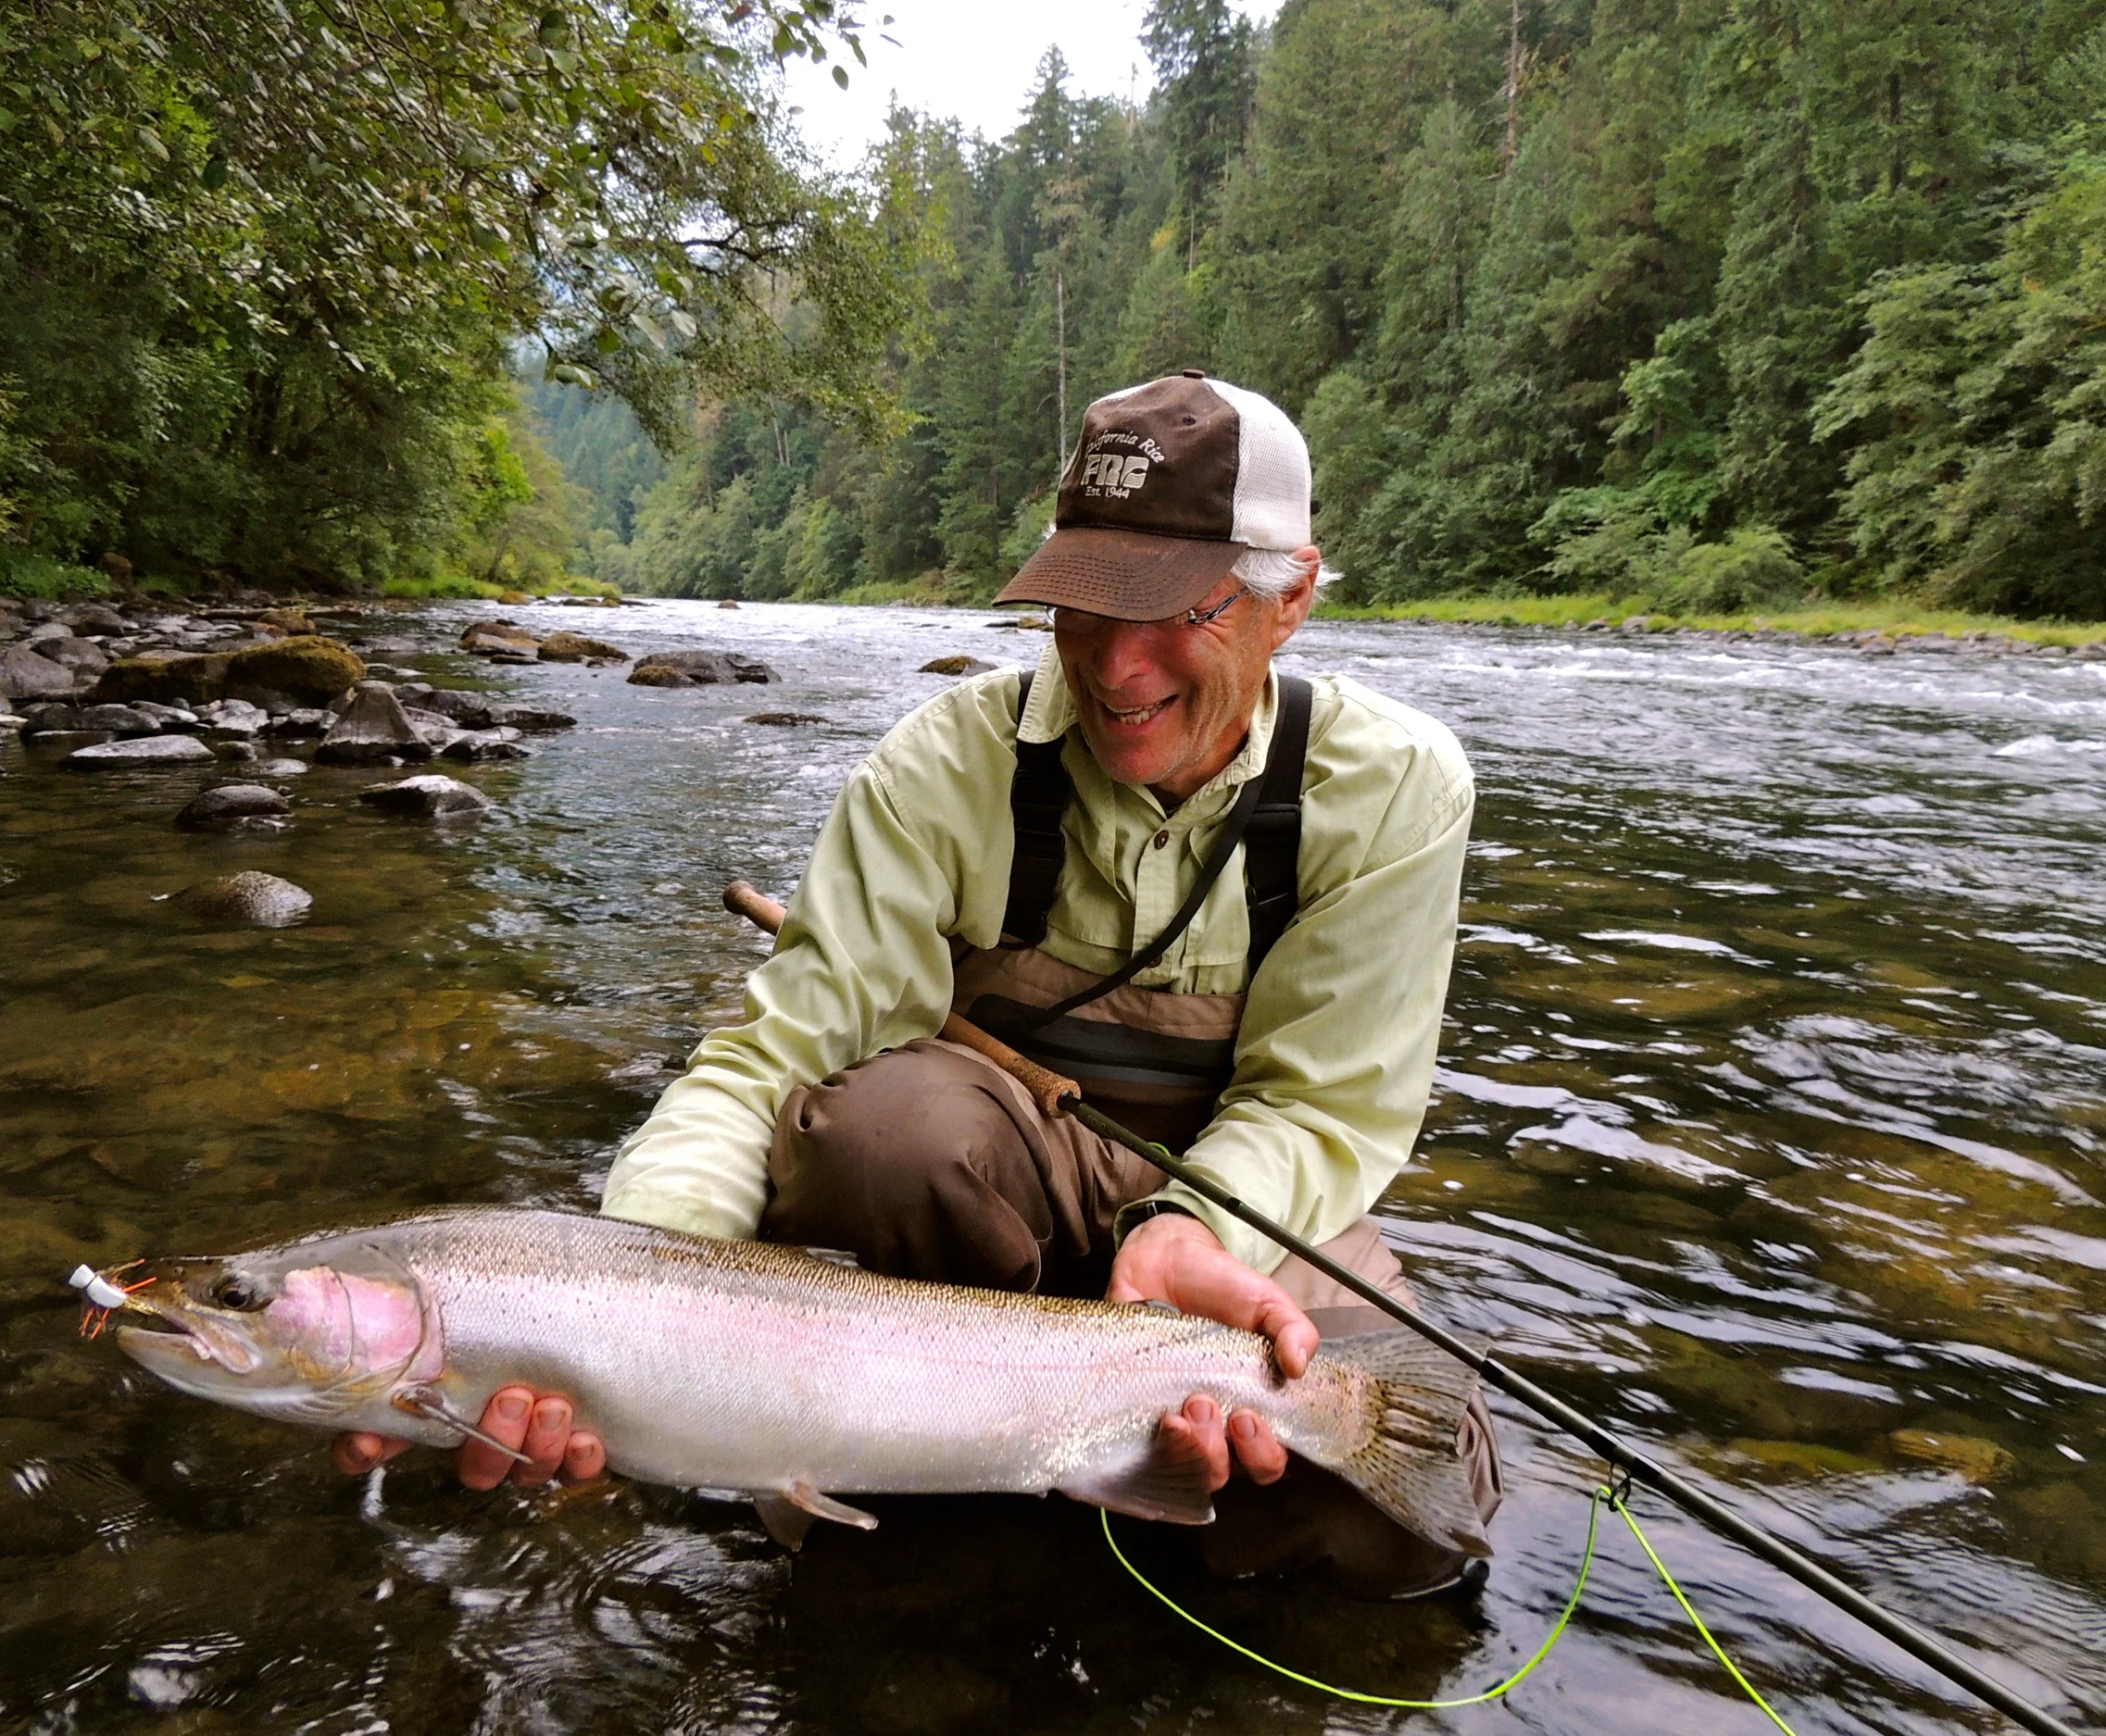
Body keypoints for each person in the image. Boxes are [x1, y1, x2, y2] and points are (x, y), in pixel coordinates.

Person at [336, 370, 1499, 1593]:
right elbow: (765, 1065)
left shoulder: (1394, 791)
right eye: (1085, 604)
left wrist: (1178, 1238)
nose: (1115, 663)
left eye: (1178, 610)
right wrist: (623, 1304)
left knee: (1406, 1526)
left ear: (1293, 596)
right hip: (990, 1206)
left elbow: (1319, 1113)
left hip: (1245, 1211)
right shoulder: (940, 769)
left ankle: (1103, 1456)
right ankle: (948, 1476)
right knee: (882, 1130)